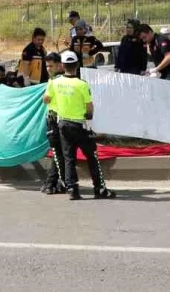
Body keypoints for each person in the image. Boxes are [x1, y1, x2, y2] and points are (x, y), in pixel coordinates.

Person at [42, 51, 116, 200]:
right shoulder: (82, 84)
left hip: (62, 124)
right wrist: (89, 120)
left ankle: (72, 189)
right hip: (80, 125)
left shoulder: (54, 82)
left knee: (68, 158)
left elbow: (46, 100)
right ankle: (99, 189)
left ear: (62, 65)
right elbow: (89, 107)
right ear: (76, 65)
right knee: (91, 157)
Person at [40, 51, 68, 196]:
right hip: (66, 120)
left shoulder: (54, 81)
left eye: (51, 66)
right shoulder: (69, 79)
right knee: (62, 154)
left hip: (54, 120)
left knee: (57, 154)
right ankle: (53, 182)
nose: (48, 69)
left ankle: (55, 183)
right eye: (47, 66)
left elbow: (46, 99)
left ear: (59, 65)